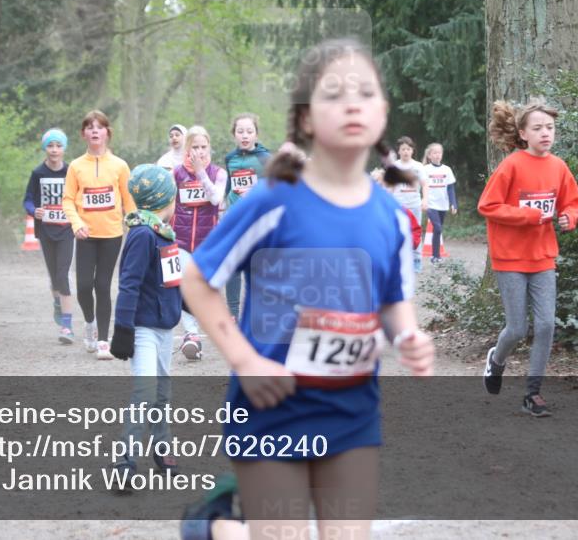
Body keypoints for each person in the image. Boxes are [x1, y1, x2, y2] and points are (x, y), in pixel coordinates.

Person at [181, 38, 434, 539]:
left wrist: (408, 335)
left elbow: (394, 299)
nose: (352, 103)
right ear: (306, 119)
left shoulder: (392, 218)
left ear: (382, 113)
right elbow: (196, 278)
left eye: (365, 92)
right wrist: (245, 362)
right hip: (272, 407)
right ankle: (216, 527)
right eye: (333, 93)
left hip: (353, 410)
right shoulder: (276, 200)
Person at [478, 99, 578, 417]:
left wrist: (569, 217)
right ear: (523, 134)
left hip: (543, 256)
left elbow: (573, 203)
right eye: (537, 128)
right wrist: (526, 215)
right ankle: (496, 359)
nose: (545, 133)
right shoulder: (511, 165)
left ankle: (532, 394)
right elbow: (488, 206)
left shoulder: (559, 167)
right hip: (510, 257)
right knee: (517, 329)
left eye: (549, 128)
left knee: (546, 324)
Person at [109, 164, 183, 481]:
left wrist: (189, 308)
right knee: (145, 391)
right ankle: (124, 460)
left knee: (162, 391)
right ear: (163, 201)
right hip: (141, 329)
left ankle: (161, 444)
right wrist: (122, 329)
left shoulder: (165, 234)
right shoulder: (141, 235)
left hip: (165, 326)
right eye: (172, 198)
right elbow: (129, 284)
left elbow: (172, 281)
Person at [61, 110, 136, 360]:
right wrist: (76, 223)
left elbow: (129, 200)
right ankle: (90, 323)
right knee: (83, 286)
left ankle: (104, 340)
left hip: (112, 234)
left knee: (102, 285)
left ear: (107, 133)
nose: (95, 131)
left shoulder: (120, 166)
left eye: (100, 127)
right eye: (90, 127)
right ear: (84, 134)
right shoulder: (75, 166)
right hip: (85, 234)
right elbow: (68, 200)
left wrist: (135, 224)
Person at [173, 125, 227, 360]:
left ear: (210, 149)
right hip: (181, 240)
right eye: (195, 147)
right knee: (185, 285)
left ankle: (205, 330)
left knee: (204, 288)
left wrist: (200, 173)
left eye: (204, 147)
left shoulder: (219, 173)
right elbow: (168, 204)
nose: (200, 151)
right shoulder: (175, 174)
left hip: (208, 241)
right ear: (187, 149)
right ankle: (191, 335)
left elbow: (215, 198)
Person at [22, 128, 75, 343]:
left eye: (58, 146)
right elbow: (27, 200)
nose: (54, 150)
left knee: (63, 275)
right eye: (51, 146)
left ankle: (67, 325)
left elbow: (79, 197)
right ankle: (57, 303)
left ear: (64, 149)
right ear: (45, 148)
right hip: (46, 231)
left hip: (67, 230)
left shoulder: (71, 172)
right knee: (54, 277)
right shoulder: (38, 173)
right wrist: (35, 211)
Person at [222, 113, 271, 320]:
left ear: (256, 135)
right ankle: (232, 313)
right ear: (234, 134)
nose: (245, 135)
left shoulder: (266, 158)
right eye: (240, 131)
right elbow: (229, 187)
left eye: (249, 131)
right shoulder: (230, 158)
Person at [391, 136, 428, 273]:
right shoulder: (394, 166)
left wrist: (425, 200)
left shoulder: (418, 166)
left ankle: (416, 260)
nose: (406, 152)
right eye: (403, 149)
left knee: (415, 233)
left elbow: (425, 184)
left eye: (408, 149)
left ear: (412, 150)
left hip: (414, 204)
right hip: (398, 204)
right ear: (398, 151)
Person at [422, 142, 458, 262]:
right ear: (429, 155)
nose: (437, 155)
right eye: (434, 152)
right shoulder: (425, 169)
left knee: (438, 230)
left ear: (442, 155)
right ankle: (435, 256)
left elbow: (451, 188)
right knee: (437, 228)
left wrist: (453, 203)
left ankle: (436, 256)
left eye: (439, 152)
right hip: (430, 204)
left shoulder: (447, 170)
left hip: (443, 204)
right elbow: (420, 186)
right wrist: (423, 200)